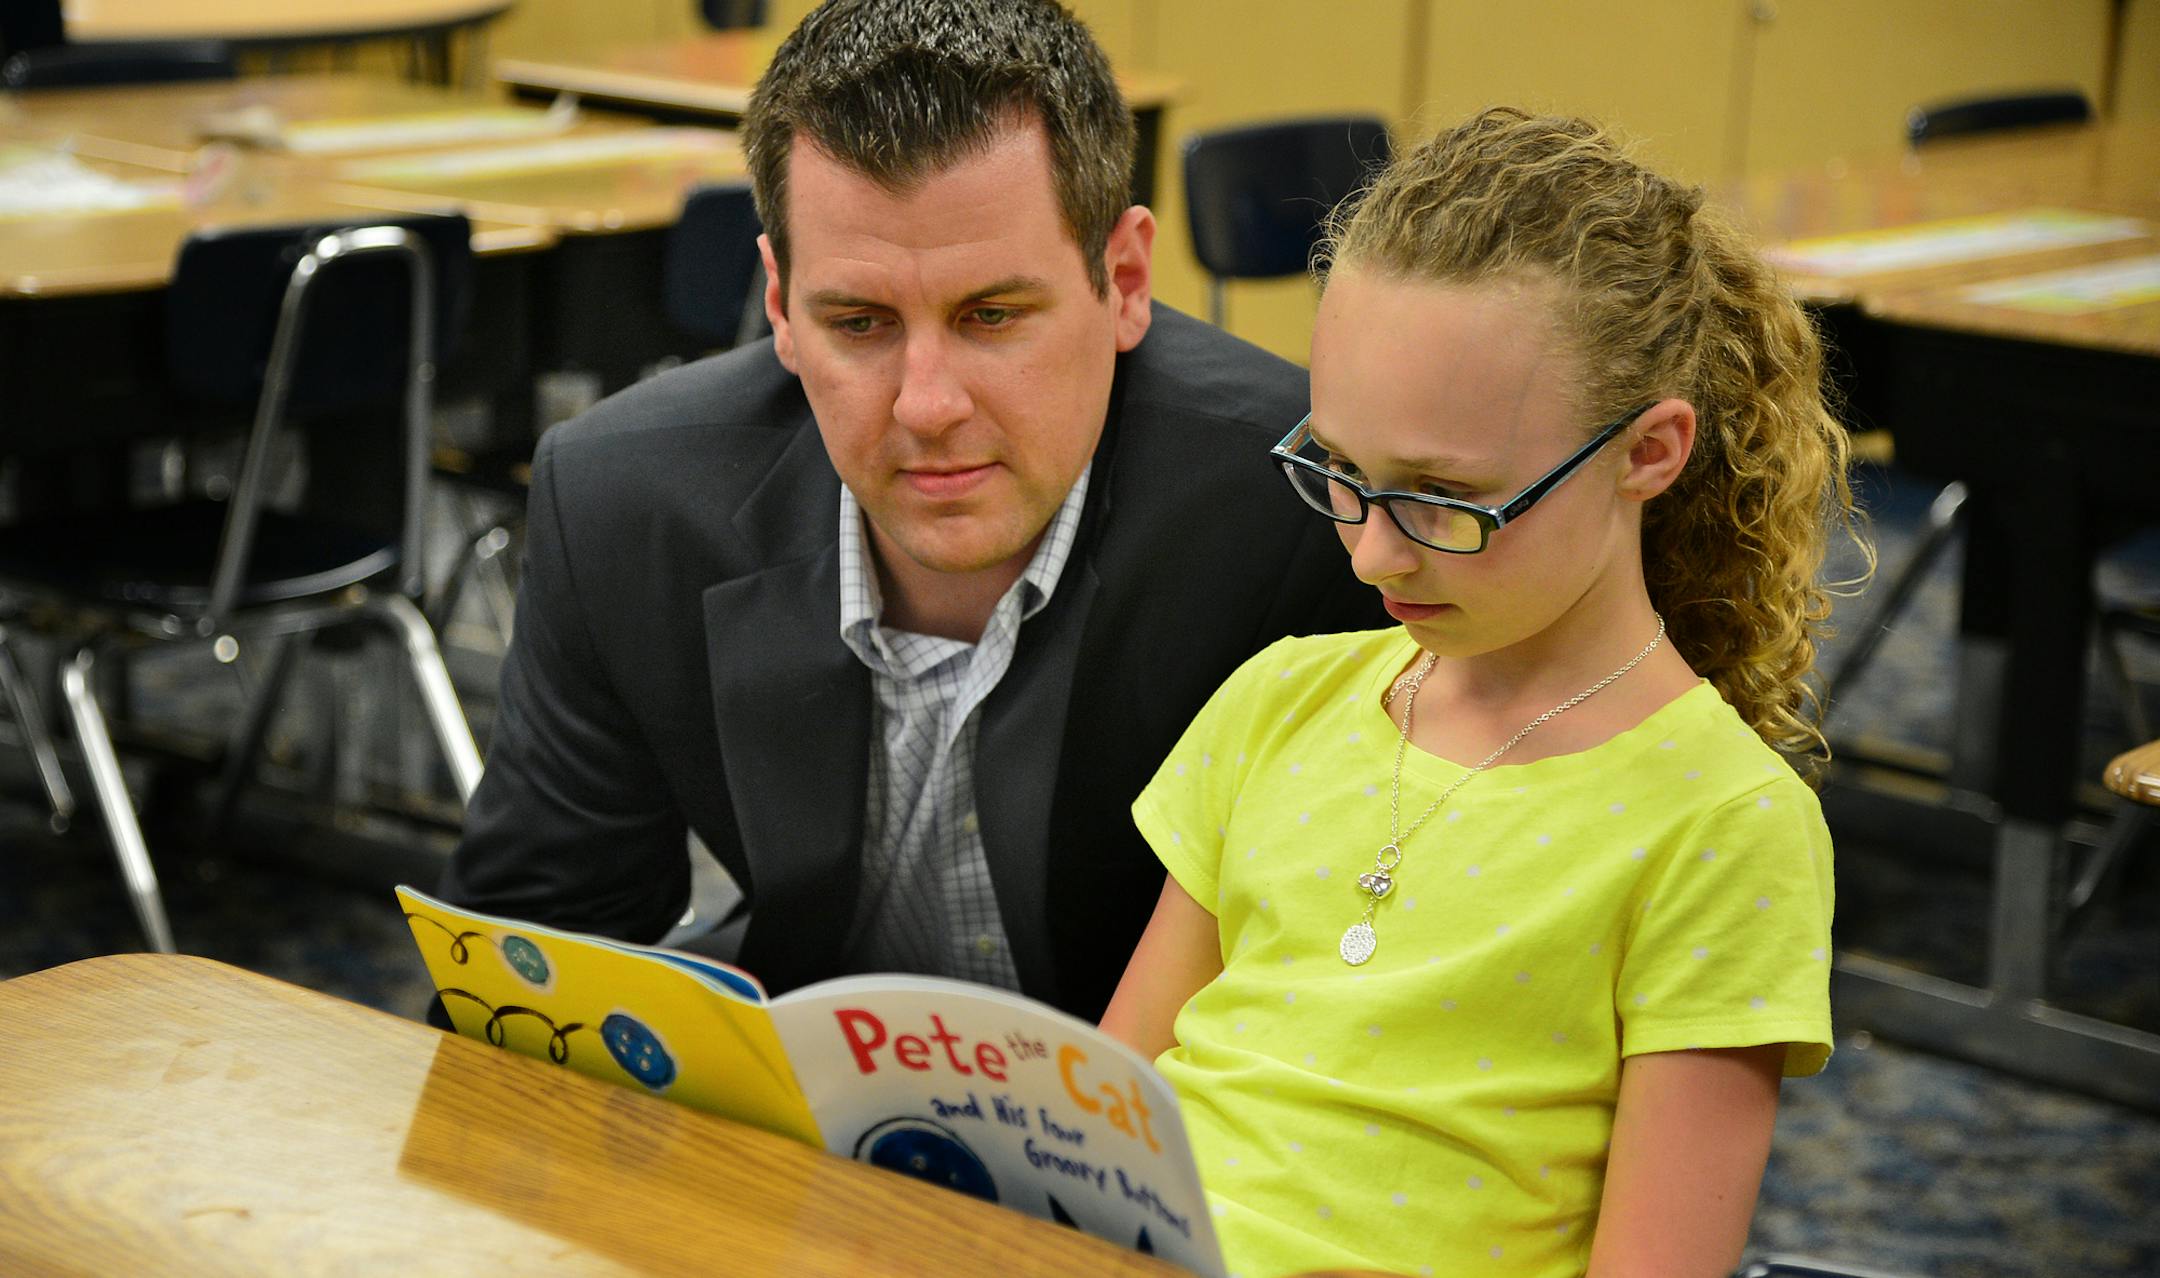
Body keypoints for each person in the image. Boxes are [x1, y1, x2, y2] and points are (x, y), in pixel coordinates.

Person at [434, 0, 1382, 1023]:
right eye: (860, 323)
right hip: (802, 1094)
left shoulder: (1312, 502)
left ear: (1124, 280)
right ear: (779, 307)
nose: (927, 405)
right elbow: (533, 967)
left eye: (992, 317)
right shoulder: (624, 501)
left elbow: (1351, 984)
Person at [1101, 107, 1863, 1278]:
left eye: (1444, 498)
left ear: (1647, 453)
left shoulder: (1721, 828)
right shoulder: (1280, 700)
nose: (1372, 557)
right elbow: (1102, 1128)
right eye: (1341, 473)